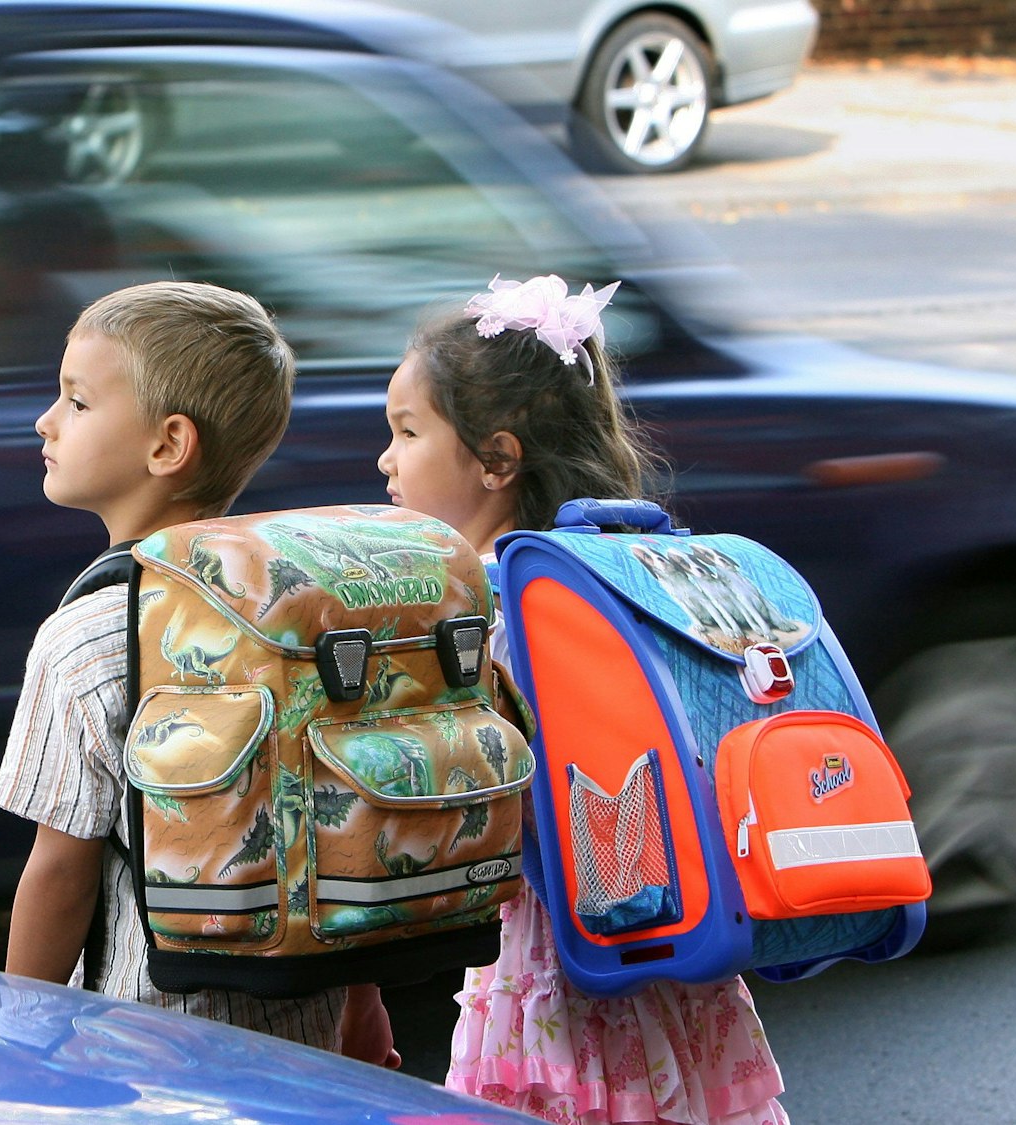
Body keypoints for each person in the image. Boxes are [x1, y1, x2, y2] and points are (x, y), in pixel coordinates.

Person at [361, 273, 788, 1123]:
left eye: (407, 431)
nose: (386, 458)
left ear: (497, 459)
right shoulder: (622, 566)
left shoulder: (487, 606)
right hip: (669, 936)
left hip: (559, 961)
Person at [0, 280, 397, 1061]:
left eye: (77, 400)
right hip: (300, 1042)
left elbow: (61, 876)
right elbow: (340, 826)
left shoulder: (90, 639)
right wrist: (363, 1003)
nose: (46, 420)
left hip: (138, 1054)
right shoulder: (309, 617)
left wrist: (14, 1042)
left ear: (169, 445)